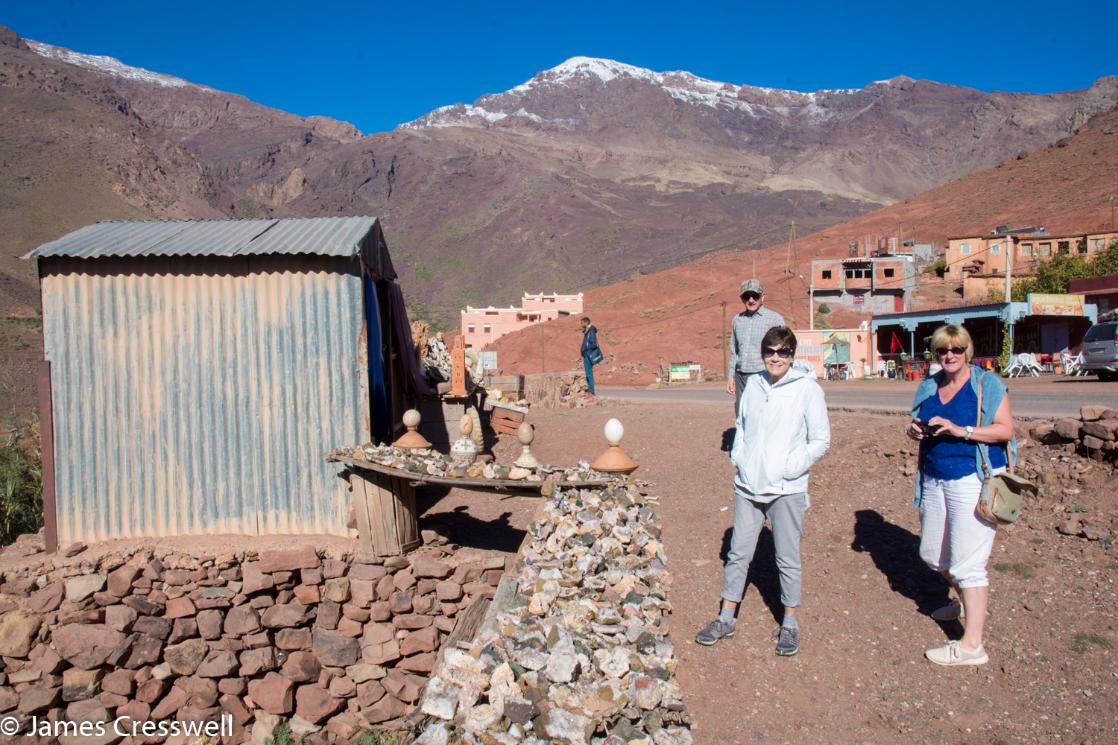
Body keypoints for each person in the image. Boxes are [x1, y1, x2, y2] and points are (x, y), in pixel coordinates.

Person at [697, 326, 830, 656]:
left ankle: (790, 623)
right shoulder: (754, 385)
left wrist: (791, 467)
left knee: (786, 556)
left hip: (787, 488)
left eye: (782, 352)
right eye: (770, 351)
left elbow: (821, 440)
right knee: (739, 551)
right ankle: (726, 616)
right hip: (748, 485)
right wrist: (739, 457)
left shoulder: (807, 390)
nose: (775, 357)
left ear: (792, 354)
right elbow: (741, 426)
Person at [906, 324, 1016, 667]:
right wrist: (913, 429)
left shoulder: (986, 384)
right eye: (942, 351)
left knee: (969, 564)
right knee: (932, 556)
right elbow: (916, 420)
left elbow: (1006, 430)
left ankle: (971, 646)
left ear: (967, 351)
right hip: (935, 479)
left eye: (955, 350)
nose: (949, 356)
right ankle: (959, 603)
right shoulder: (929, 386)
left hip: (973, 479)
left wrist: (961, 430)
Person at [727, 278, 784, 415]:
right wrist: (730, 376)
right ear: (742, 298)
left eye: (755, 296)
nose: (751, 300)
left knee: (763, 413)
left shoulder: (774, 319)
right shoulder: (737, 320)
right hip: (740, 376)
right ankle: (743, 437)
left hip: (763, 375)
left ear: (762, 297)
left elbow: (784, 348)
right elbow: (734, 350)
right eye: (747, 296)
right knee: (742, 413)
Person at [579, 316, 602, 396]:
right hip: (586, 354)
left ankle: (591, 391)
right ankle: (589, 390)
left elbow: (593, 344)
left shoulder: (591, 331)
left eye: (582, 322)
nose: (581, 324)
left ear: (586, 322)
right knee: (588, 373)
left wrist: (585, 350)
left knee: (589, 373)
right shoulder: (587, 331)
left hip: (588, 355)